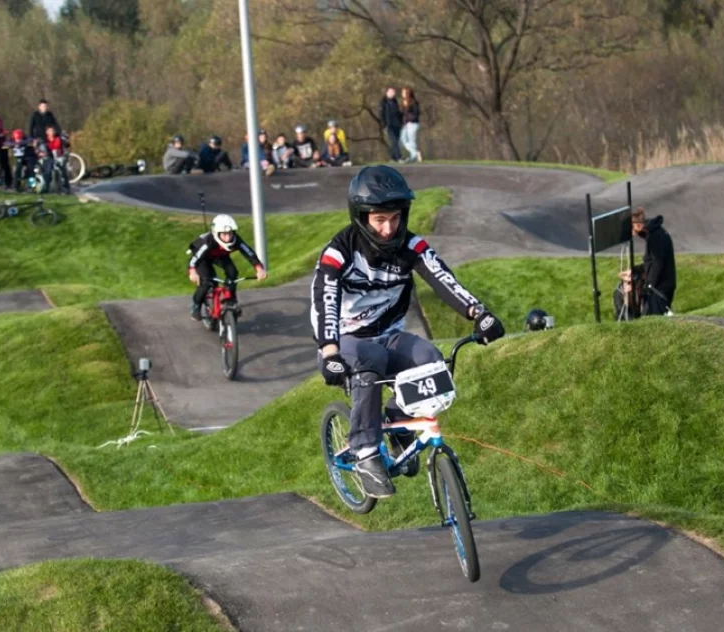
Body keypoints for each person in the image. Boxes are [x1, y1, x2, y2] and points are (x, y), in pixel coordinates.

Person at [311, 165, 505, 497]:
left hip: (390, 335)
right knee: (371, 358)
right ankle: (364, 451)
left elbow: (442, 278)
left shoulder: (411, 246)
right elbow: (324, 302)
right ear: (361, 217)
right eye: (379, 220)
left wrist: (479, 313)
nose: (389, 229)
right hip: (346, 342)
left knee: (431, 359)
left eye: (395, 218)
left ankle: (399, 419)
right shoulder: (338, 253)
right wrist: (329, 353)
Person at [187, 214, 268, 320]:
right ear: (217, 233)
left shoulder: (236, 239)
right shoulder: (208, 242)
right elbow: (195, 258)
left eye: (230, 233)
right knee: (206, 282)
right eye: (224, 234)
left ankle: (231, 300)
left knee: (233, 274)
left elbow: (248, 252)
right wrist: (192, 271)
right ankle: (196, 305)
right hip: (202, 258)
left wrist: (259, 268)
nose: (228, 237)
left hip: (219, 256)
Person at [618, 207, 676, 316]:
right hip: (659, 285)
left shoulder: (656, 237)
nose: (632, 233)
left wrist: (647, 286)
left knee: (653, 317)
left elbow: (658, 264)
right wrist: (633, 271)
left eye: (631, 229)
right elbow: (651, 263)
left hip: (660, 288)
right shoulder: (653, 233)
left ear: (638, 225)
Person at [41, 125, 70, 194]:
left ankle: (65, 187)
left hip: (59, 157)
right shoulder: (44, 141)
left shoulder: (59, 139)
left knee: (62, 169)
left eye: (52, 131)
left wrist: (65, 141)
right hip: (50, 158)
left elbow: (67, 144)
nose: (51, 132)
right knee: (47, 169)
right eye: (49, 131)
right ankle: (46, 186)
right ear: (46, 132)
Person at [380, 87, 403, 162]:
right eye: (391, 92)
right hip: (389, 125)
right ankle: (399, 157)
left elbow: (398, 113)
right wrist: (384, 125)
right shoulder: (383, 102)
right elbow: (381, 114)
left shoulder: (395, 101)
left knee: (396, 141)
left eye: (394, 92)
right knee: (394, 141)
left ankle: (392, 157)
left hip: (397, 124)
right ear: (387, 93)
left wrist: (401, 121)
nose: (393, 94)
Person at [400, 87, 422, 163]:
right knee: (402, 140)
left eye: (403, 92)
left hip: (412, 123)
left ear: (407, 93)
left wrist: (409, 118)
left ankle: (413, 156)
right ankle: (415, 153)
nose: (402, 94)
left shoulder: (414, 102)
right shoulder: (403, 102)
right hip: (405, 124)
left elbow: (416, 113)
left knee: (411, 140)